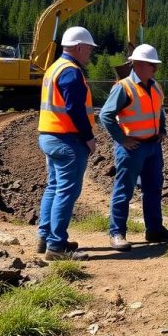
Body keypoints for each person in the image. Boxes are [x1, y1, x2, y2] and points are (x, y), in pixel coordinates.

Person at [98, 44, 168, 251]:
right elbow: (105, 116)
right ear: (139, 64)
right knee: (123, 190)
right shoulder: (123, 87)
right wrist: (122, 139)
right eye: (151, 64)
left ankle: (154, 230)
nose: (154, 68)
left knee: (153, 189)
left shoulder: (155, 86)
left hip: (153, 146)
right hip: (131, 148)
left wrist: (162, 129)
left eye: (154, 65)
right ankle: (117, 233)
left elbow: (159, 110)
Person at [37, 26, 97, 261]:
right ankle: (56, 246)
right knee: (66, 191)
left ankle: (46, 237)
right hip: (67, 138)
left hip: (50, 135)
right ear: (79, 47)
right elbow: (74, 109)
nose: (90, 54)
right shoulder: (71, 72)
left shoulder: (54, 68)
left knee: (53, 187)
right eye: (89, 49)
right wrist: (89, 137)